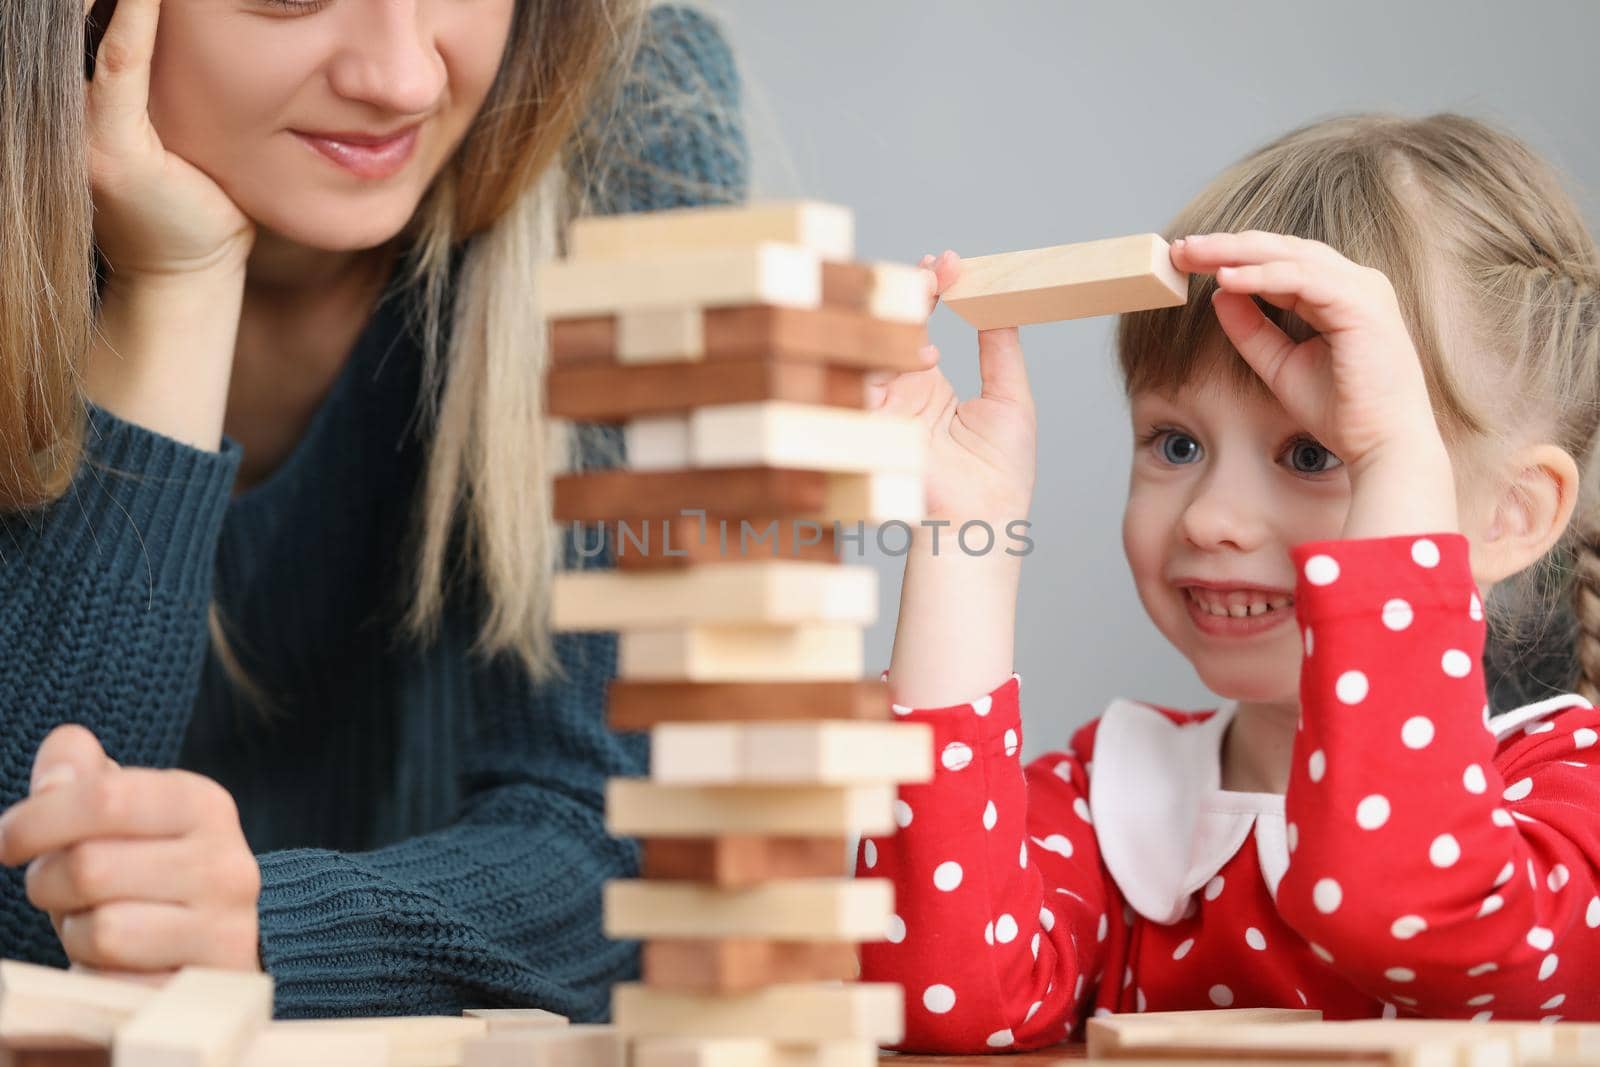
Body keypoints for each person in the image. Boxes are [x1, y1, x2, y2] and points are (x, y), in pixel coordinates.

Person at [0, 0, 747, 1020]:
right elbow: (18, 911)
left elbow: (632, 840)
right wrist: (175, 282)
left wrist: (271, 932)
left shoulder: (623, 104)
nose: (401, 78)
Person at [861, 113, 1600, 1050]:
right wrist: (963, 530)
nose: (1212, 516)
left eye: (1317, 452)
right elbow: (943, 1003)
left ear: (1511, 515)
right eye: (1177, 444)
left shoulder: (1568, 797)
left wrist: (1398, 474)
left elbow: (1406, 904)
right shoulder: (1115, 800)